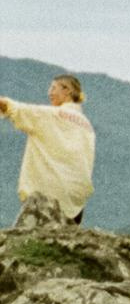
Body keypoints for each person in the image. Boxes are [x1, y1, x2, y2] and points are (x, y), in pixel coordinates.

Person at [2, 73, 96, 230]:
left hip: (50, 194)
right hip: (76, 197)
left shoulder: (50, 115)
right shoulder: (87, 126)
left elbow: (12, 108)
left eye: (53, 88)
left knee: (30, 241)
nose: (49, 92)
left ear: (67, 90)